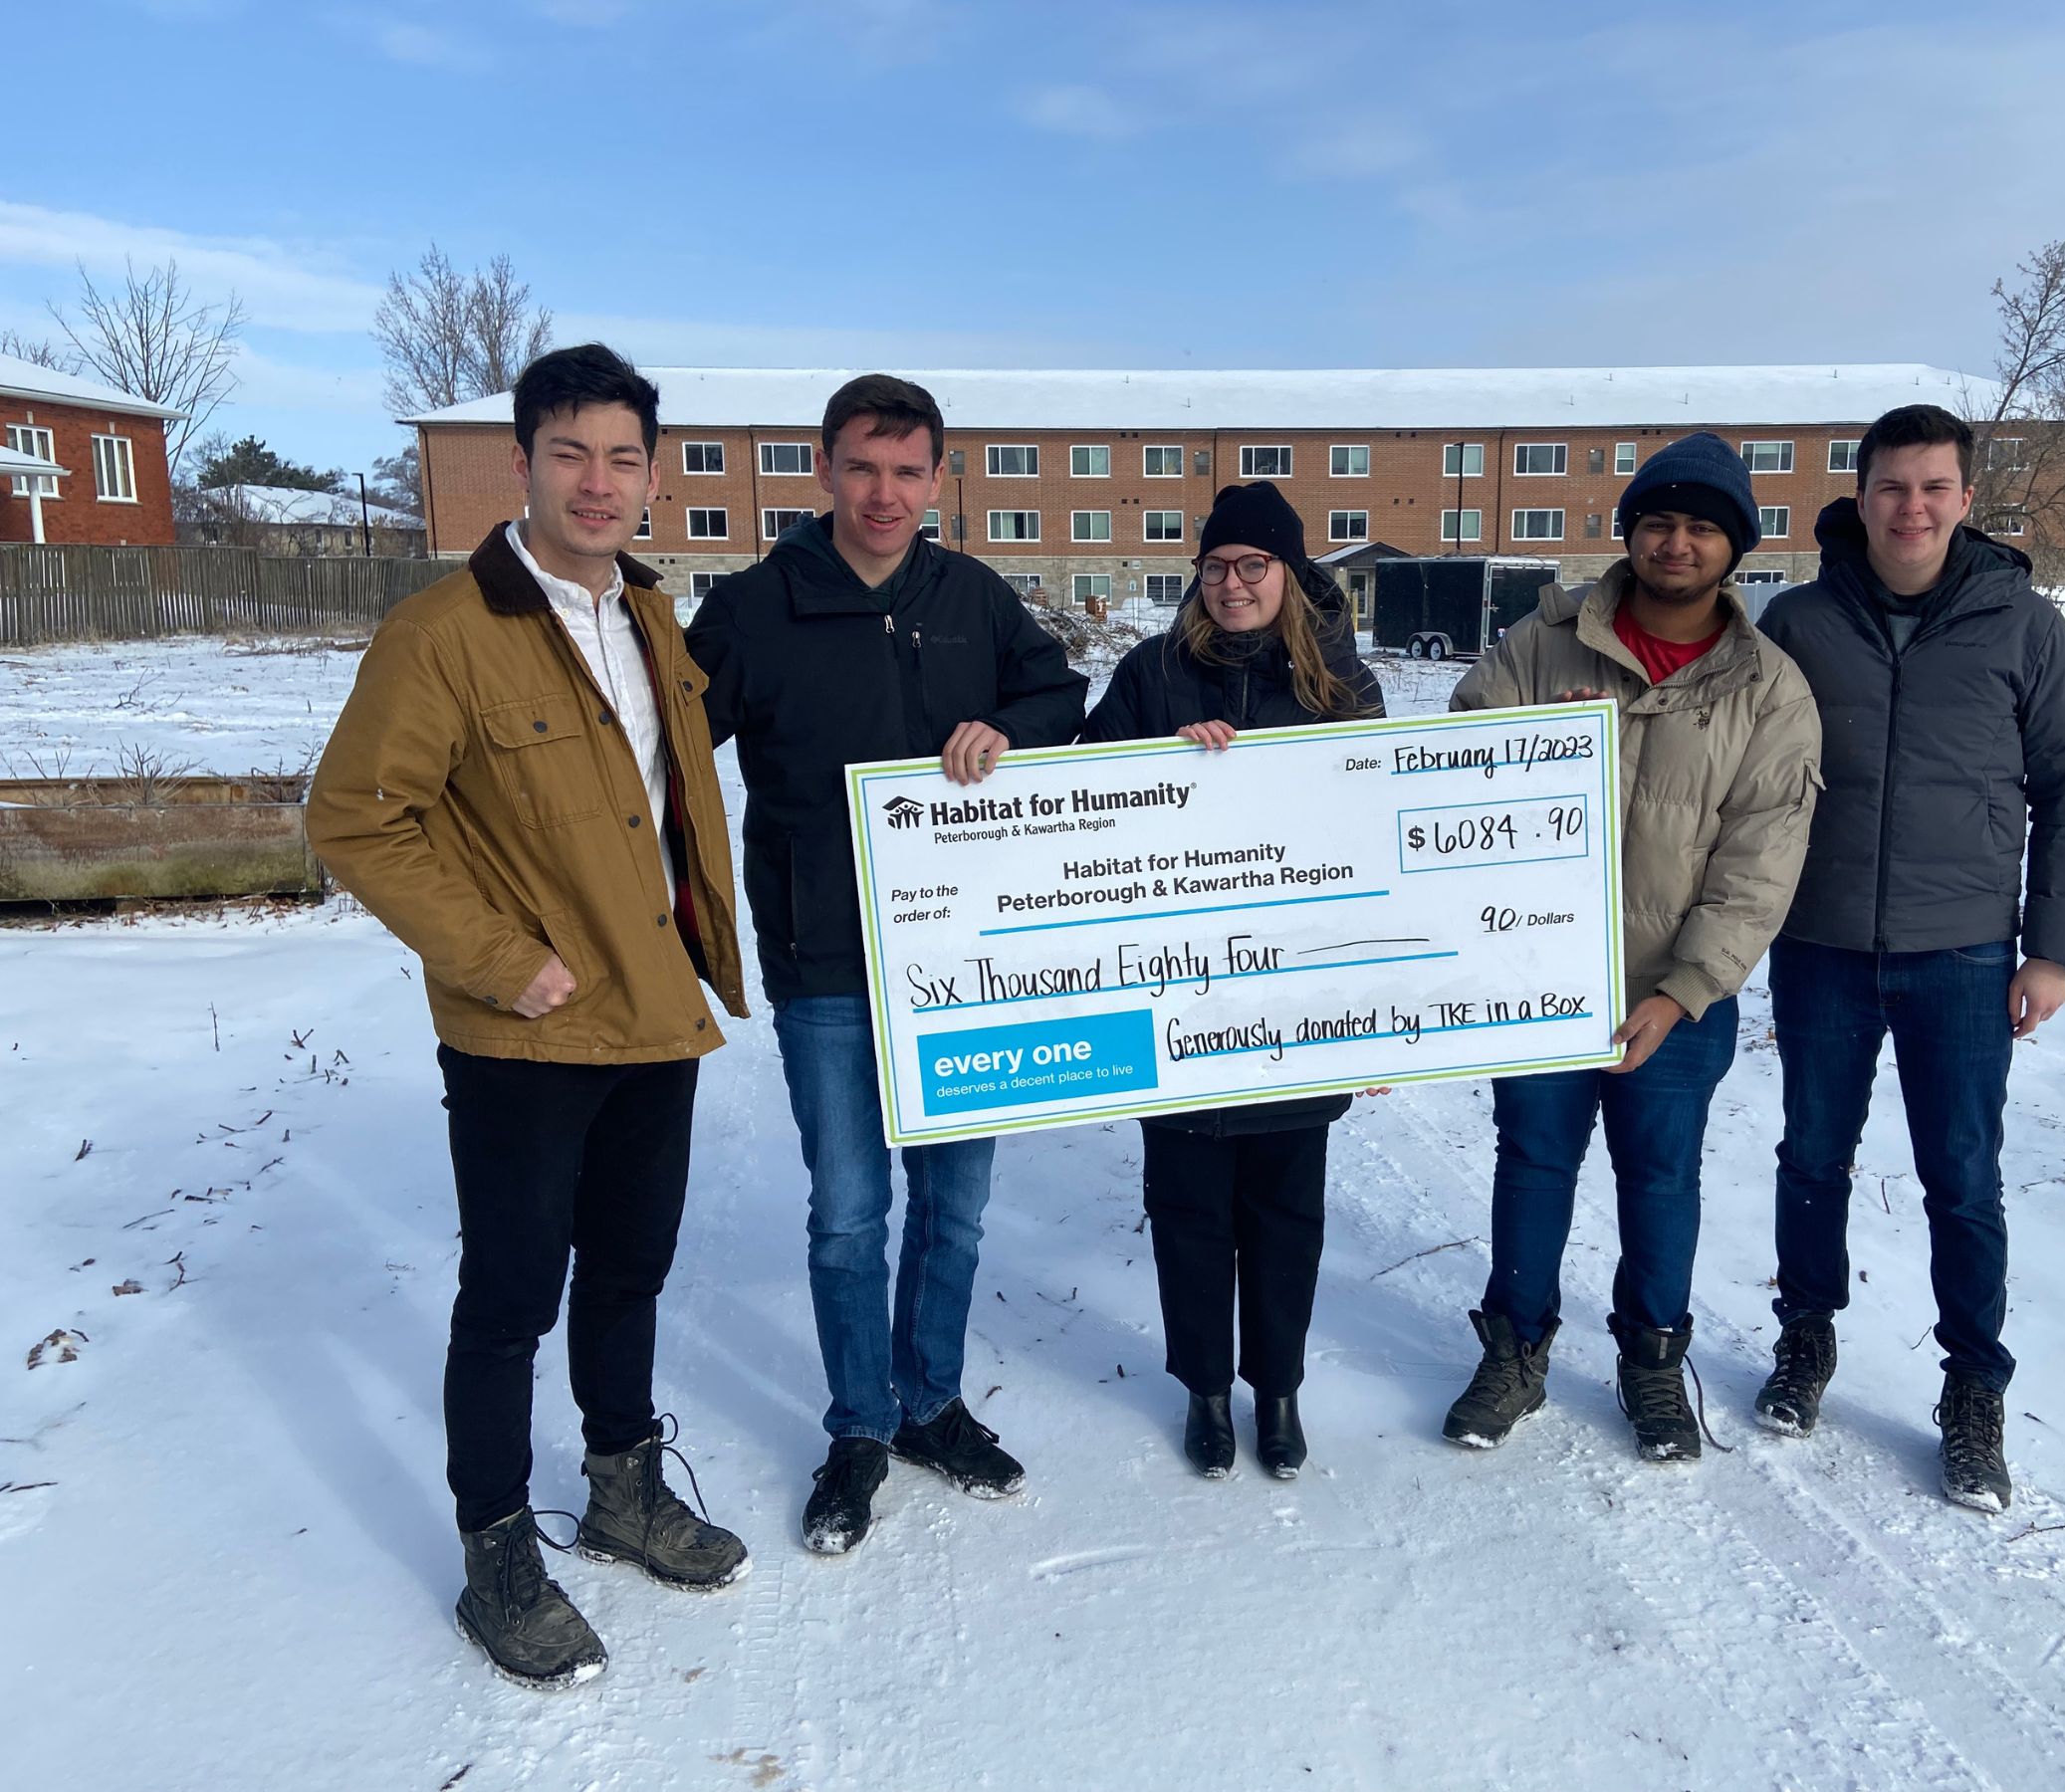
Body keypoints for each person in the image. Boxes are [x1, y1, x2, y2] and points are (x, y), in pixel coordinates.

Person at [307, 344, 751, 1689]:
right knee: (510, 1299)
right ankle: (497, 1549)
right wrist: (502, 960)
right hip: (527, 1036)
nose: (599, 482)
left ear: (654, 476)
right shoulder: (444, 633)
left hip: (654, 1015)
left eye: (624, 458)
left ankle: (622, 1486)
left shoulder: (655, 621)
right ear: (523, 465)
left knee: (630, 1270)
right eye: (571, 454)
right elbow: (357, 818)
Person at [686, 375, 1086, 1553]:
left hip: (969, 960)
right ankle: (860, 1422)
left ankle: (932, 1403)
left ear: (937, 480)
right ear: (823, 468)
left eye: (909, 472)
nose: (885, 493)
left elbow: (1056, 689)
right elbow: (660, 749)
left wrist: (1010, 731)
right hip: (827, 963)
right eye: (864, 467)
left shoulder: (967, 593)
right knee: (849, 1215)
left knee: (954, 1209)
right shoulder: (758, 607)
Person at [1752, 403, 2065, 1512]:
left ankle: (1972, 1389)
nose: (1912, 507)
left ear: (1965, 500)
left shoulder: (2023, 628)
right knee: (1813, 1157)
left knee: (1961, 1179)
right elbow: (1725, 758)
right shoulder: (1799, 623)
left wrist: (2051, 949)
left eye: (1933, 487)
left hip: (1961, 952)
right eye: (1892, 487)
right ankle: (1805, 1340)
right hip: (1819, 946)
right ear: (1859, 499)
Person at [1442, 432, 1821, 1463]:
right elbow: (1456, 770)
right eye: (1660, 520)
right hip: (1539, 982)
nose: (1677, 541)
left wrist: (1690, 987)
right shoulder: (1541, 645)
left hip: (1671, 991)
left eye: (1703, 526)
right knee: (1533, 1164)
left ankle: (1652, 1357)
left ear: (1735, 547)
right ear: (1632, 532)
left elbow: (1762, 857)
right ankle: (1514, 1347)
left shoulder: (1769, 688)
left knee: (1659, 1177)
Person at [1080, 482, 1385, 1480]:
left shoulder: (1342, 686)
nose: (1232, 583)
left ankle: (1279, 1389)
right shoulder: (1152, 672)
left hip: (1302, 996)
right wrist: (1156, 767)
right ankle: (1207, 1390)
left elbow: (1385, 830)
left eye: (1253, 565)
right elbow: (1081, 794)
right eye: (1215, 567)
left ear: (1290, 575)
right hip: (1179, 991)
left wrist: (1396, 1005)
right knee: (1190, 1205)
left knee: (1287, 1210)